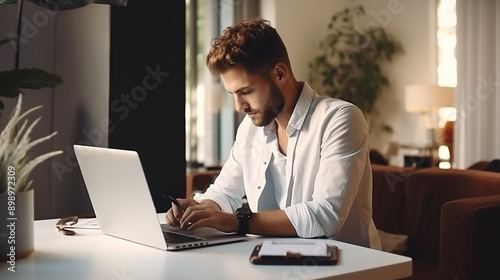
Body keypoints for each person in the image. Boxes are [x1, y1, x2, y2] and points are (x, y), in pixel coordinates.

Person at [166, 18, 381, 249]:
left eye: (246, 91)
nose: (239, 106)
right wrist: (201, 209)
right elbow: (224, 193)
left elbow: (326, 215)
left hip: (349, 264)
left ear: (279, 73)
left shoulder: (339, 118)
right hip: (271, 259)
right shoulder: (250, 129)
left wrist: (238, 222)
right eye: (233, 94)